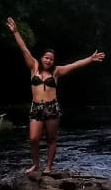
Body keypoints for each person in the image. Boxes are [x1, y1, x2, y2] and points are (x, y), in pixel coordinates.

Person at [6, 18, 105, 175]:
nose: (48, 60)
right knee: (33, 139)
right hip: (36, 107)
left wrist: (90, 59)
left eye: (51, 59)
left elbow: (74, 65)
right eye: (46, 57)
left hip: (52, 107)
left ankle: (49, 167)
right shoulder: (34, 67)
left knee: (51, 139)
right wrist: (16, 32)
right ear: (41, 58)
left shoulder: (56, 71)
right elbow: (24, 48)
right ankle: (36, 164)